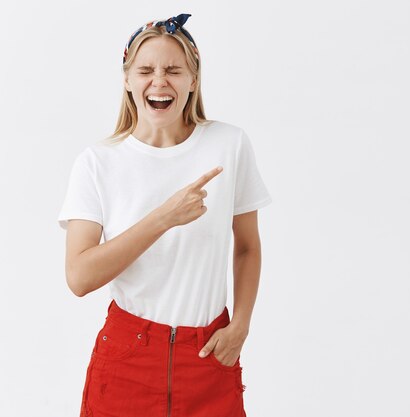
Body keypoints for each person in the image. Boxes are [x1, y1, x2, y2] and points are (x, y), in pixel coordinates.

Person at [57, 13, 271, 417]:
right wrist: (164, 218)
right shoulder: (98, 163)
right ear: (127, 80)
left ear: (194, 80)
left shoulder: (229, 145)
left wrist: (240, 326)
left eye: (173, 70)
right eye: (145, 70)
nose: (159, 81)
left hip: (210, 355)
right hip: (126, 360)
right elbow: (79, 277)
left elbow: (247, 246)